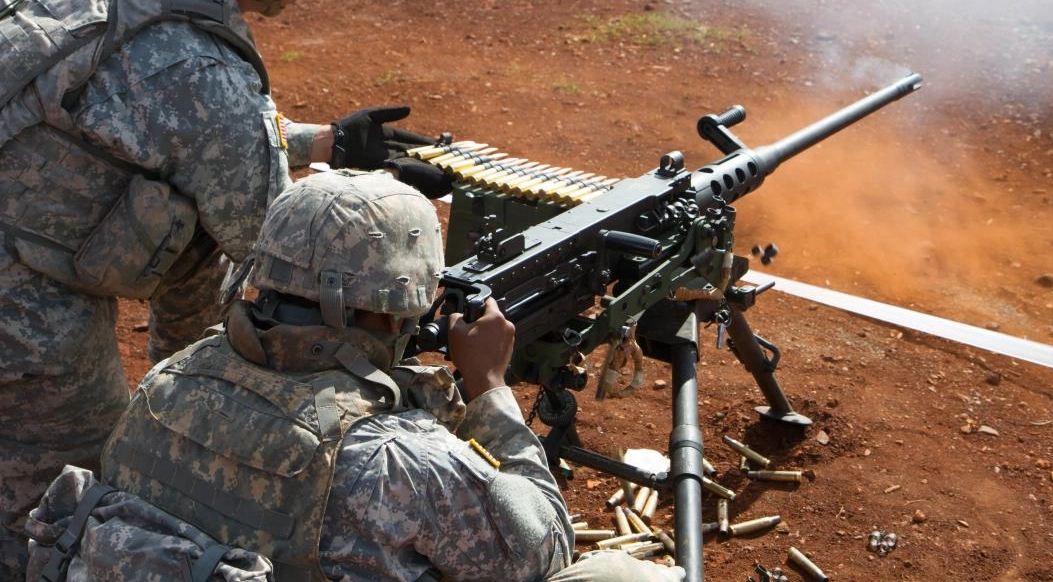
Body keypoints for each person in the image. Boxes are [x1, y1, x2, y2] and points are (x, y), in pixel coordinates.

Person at [0, 0, 446, 578]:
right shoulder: (209, 77)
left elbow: (125, 122)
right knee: (62, 502)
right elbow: (274, 246)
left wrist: (321, 142)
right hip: (27, 315)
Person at [23, 170, 683, 582]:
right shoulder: (395, 462)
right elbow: (541, 550)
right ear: (391, 303)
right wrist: (489, 388)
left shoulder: (167, 383)